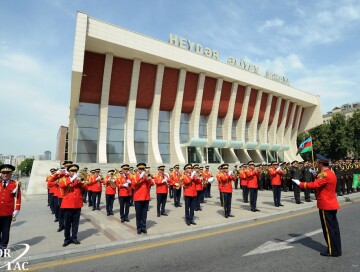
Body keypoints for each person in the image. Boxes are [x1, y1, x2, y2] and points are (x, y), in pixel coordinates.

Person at [292, 154, 342, 257]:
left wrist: (300, 184)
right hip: (332, 203)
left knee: (328, 230)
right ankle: (336, 248)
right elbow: (322, 182)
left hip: (325, 204)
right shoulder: (330, 172)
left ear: (321, 163)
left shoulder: (324, 174)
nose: (316, 164)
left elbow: (315, 185)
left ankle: (332, 251)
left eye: (317, 163)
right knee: (334, 228)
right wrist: (315, 175)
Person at [59, 164, 87, 247]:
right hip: (68, 204)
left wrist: (82, 181)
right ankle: (67, 239)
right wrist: (71, 179)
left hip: (77, 204)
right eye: (72, 171)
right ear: (69, 172)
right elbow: (61, 185)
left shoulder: (77, 179)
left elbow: (85, 187)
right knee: (67, 224)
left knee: (75, 223)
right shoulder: (64, 178)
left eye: (75, 171)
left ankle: (74, 237)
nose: (74, 172)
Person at [0, 164, 21, 254]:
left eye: (7, 173)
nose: (5, 175)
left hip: (8, 212)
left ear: (11, 173)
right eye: (3, 173)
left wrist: (17, 209)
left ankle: (3, 248)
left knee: (5, 231)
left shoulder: (15, 184)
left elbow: (18, 197)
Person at [132, 163, 154, 234]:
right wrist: (140, 177)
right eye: (140, 169)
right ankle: (139, 228)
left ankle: (143, 227)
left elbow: (152, 183)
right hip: (138, 198)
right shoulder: (135, 176)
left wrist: (148, 178)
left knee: (144, 214)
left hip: (146, 197)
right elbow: (134, 185)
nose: (142, 170)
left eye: (143, 169)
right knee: (138, 214)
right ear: (138, 169)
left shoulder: (146, 176)